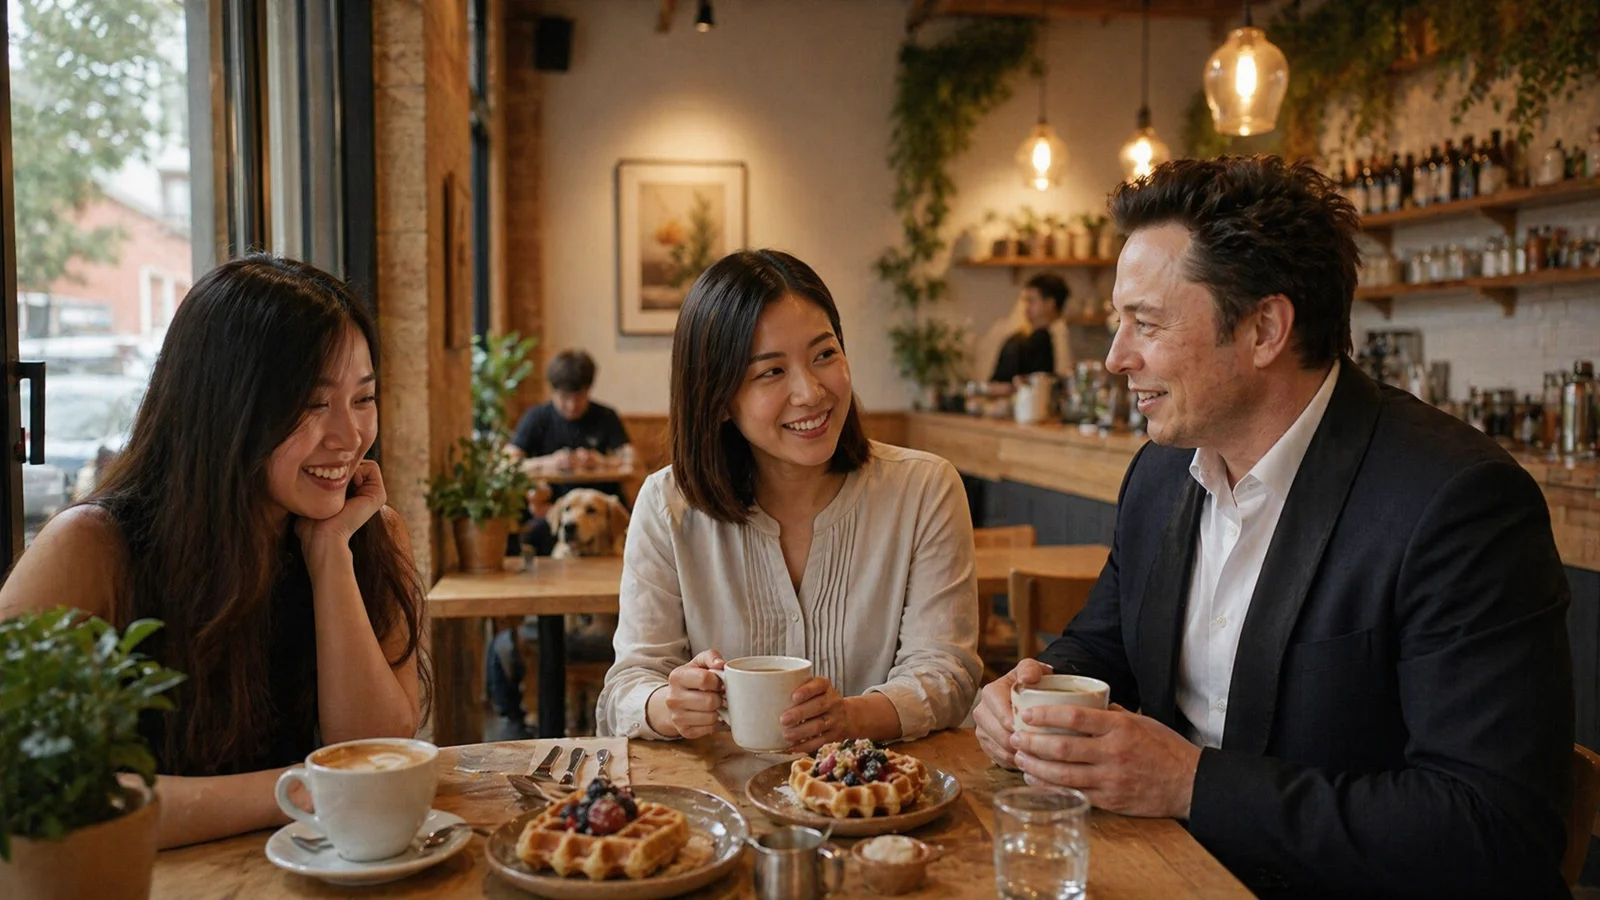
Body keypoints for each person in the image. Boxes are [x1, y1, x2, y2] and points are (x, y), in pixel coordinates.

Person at [972, 157, 1573, 898]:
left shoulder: (1456, 503)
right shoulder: (1161, 475)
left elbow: (1494, 828)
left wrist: (1192, 784)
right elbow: (1105, 644)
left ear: (1263, 329)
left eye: (1147, 323)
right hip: (1167, 873)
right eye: (1118, 322)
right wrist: (1033, 691)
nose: (1115, 358)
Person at [0, 253, 429, 849]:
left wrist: (331, 555)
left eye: (363, 398)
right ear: (224, 405)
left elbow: (376, 747)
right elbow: (26, 784)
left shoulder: (370, 535)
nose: (349, 435)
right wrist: (298, 791)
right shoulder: (93, 547)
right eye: (312, 403)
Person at [596, 249, 982, 750]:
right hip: (717, 808)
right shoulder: (668, 507)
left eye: (824, 354)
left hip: (880, 804)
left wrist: (852, 717)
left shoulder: (924, 489)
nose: (811, 391)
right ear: (718, 401)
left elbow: (946, 673)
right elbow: (625, 687)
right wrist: (669, 704)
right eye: (771, 372)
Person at [487, 349, 634, 738]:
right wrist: (552, 463)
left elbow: (630, 460)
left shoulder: (605, 418)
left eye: (579, 397)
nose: (571, 405)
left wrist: (594, 462)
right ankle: (528, 716)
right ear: (553, 391)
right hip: (547, 526)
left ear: (589, 391)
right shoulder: (537, 419)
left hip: (607, 532)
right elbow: (506, 465)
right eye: (564, 397)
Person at [988, 272, 1072, 386]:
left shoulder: (1053, 335)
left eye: (1031, 301)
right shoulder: (1023, 339)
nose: (1026, 307)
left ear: (1050, 303)